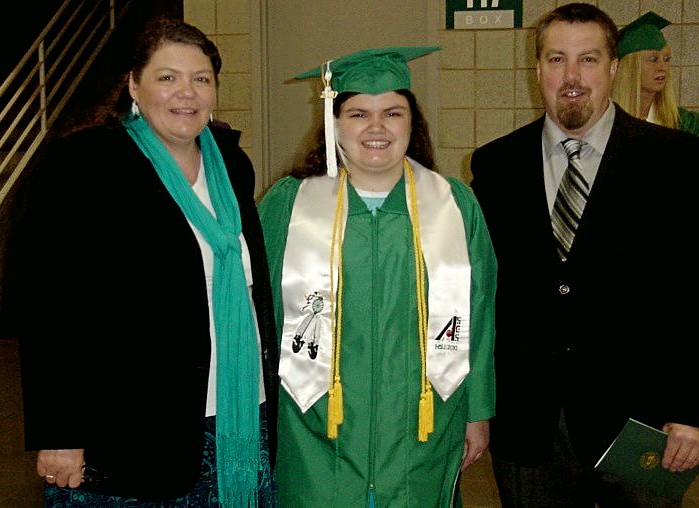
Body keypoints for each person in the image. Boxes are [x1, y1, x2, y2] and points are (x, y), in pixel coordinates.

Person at [9, 16, 278, 507]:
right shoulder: (85, 164)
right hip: (128, 428)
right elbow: (50, 305)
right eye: (167, 77)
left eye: (201, 79)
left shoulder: (231, 164)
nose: (187, 93)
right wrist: (61, 431)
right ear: (134, 84)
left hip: (235, 408)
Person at [469, 3, 699, 507]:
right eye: (556, 60)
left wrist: (690, 409)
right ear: (537, 70)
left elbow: (693, 291)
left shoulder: (676, 161)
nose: (571, 77)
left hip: (642, 423)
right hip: (528, 425)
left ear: (614, 68)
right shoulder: (495, 166)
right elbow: (482, 296)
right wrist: (476, 407)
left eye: (588, 60)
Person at [257, 47, 497, 506]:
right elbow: (257, 316)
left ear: (412, 123)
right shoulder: (288, 205)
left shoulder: (455, 205)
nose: (376, 127)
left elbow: (480, 310)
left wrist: (478, 411)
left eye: (392, 112)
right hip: (312, 421)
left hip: (424, 419)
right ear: (333, 124)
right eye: (357, 113)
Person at [611, 11, 699, 135]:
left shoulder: (684, 124)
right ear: (631, 68)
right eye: (653, 59)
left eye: (667, 59)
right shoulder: (604, 122)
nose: (663, 67)